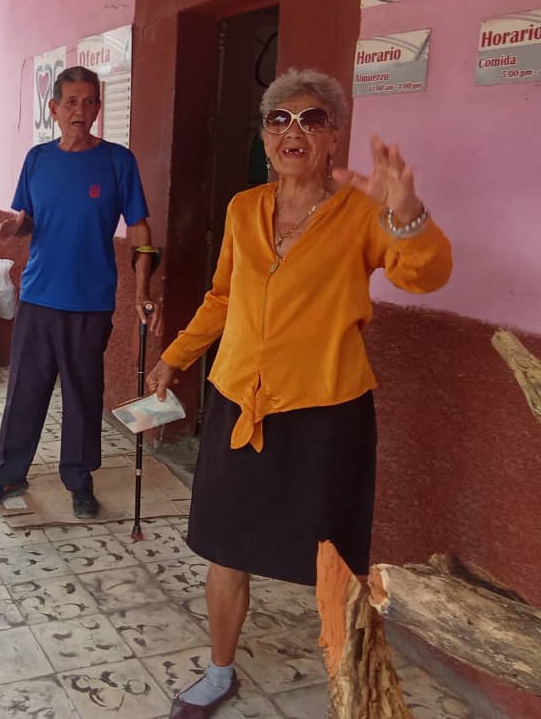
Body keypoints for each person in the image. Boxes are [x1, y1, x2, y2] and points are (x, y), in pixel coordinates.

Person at [145, 68, 452, 718]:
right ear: (263, 136)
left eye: (312, 119)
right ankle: (220, 671)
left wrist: (407, 214)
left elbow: (425, 275)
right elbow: (224, 296)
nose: (294, 130)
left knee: (334, 562)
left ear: (334, 136)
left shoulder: (365, 214)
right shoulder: (243, 209)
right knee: (226, 550)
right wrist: (175, 358)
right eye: (279, 119)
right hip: (238, 402)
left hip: (326, 412)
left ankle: (355, 685)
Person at [0, 66, 160, 519]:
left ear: (98, 108)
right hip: (37, 296)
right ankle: (8, 474)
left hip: (90, 301)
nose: (81, 110)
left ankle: (79, 479)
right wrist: (19, 226)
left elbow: (138, 227)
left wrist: (142, 287)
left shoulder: (118, 161)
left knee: (82, 394)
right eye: (71, 102)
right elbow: (31, 217)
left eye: (89, 101)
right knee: (25, 392)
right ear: (53, 109)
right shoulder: (37, 159)